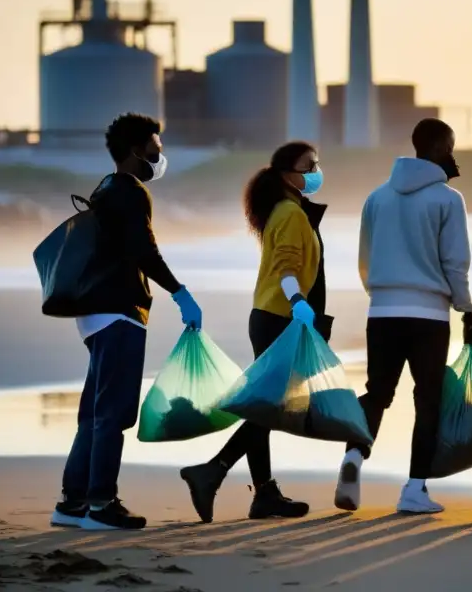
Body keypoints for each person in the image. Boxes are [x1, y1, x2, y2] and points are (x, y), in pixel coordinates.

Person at [52, 113, 203, 531]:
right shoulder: (132, 192)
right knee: (114, 412)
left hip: (94, 312)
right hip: (119, 310)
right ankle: (101, 504)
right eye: (156, 147)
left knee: (95, 411)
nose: (160, 154)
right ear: (137, 150)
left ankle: (72, 503)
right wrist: (180, 292)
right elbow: (144, 251)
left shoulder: (105, 187)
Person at [180, 141, 330, 523]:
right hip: (281, 318)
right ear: (285, 174)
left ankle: (262, 494)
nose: (315, 171)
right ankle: (212, 470)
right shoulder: (291, 213)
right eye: (308, 165)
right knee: (270, 407)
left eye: (316, 164)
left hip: (269, 315)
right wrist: (298, 302)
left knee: (269, 405)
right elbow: (286, 266)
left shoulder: (285, 209)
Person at [334, 118, 472, 515]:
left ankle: (355, 456)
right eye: (450, 145)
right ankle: (414, 490)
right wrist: (464, 306)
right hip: (428, 315)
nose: (452, 154)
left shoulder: (376, 197)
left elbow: (365, 257)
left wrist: (380, 293)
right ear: (435, 149)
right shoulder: (448, 199)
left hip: (382, 310)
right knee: (427, 399)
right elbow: (455, 261)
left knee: (378, 392)